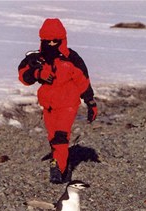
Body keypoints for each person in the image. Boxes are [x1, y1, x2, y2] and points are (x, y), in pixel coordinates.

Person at [18, 18, 97, 184]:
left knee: (61, 136)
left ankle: (58, 170)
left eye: (56, 40)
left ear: (62, 40)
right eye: (48, 40)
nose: (52, 43)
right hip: (48, 104)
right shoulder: (37, 59)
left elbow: (83, 80)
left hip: (68, 103)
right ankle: (64, 164)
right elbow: (24, 77)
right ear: (43, 40)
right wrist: (38, 74)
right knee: (53, 137)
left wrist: (90, 102)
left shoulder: (72, 59)